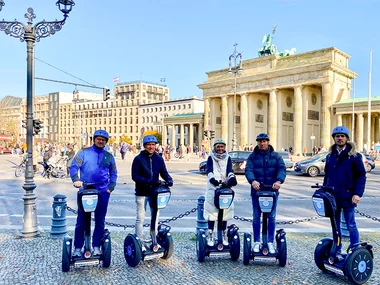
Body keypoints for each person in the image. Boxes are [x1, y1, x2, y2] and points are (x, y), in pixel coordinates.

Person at [70, 129, 118, 257]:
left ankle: (96, 246)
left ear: (106, 142)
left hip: (102, 191)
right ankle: (78, 247)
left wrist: (111, 187)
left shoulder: (109, 156)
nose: (101, 141)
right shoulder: (84, 152)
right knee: (81, 220)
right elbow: (74, 166)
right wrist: (76, 180)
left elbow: (113, 172)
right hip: (85, 189)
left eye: (103, 140)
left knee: (100, 220)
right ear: (94, 139)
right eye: (98, 139)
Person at [323, 126, 366, 255]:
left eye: (342, 136)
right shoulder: (330, 156)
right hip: (333, 197)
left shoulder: (354, 156)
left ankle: (355, 250)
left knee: (351, 225)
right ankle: (337, 248)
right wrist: (325, 189)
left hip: (348, 195)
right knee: (335, 226)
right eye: (337, 136)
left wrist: (358, 193)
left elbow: (361, 176)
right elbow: (327, 175)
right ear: (334, 138)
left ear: (347, 138)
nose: (340, 138)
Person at [245, 133, 286, 254]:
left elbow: (282, 169)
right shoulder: (252, 157)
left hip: (272, 191)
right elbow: (249, 169)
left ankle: (270, 242)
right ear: (257, 143)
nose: (262, 143)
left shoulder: (276, 156)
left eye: (264, 141)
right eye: (260, 141)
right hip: (257, 191)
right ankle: (257, 241)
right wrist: (253, 181)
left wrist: (279, 181)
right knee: (256, 216)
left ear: (268, 142)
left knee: (271, 217)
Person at [131, 135, 173, 250]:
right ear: (144, 146)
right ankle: (140, 241)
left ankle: (153, 239)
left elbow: (164, 172)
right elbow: (135, 176)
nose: (151, 147)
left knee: (155, 216)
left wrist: (168, 179)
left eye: (153, 145)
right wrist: (147, 181)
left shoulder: (158, 158)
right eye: (149, 145)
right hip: (141, 191)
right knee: (141, 217)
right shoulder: (138, 159)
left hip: (155, 192)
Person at [204, 138, 237, 247]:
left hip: (224, 187)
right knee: (212, 212)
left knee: (225, 212)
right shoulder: (210, 157)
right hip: (213, 188)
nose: (220, 149)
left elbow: (229, 170)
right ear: (214, 148)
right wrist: (212, 179)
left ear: (224, 147)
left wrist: (231, 178)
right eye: (218, 147)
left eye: (222, 146)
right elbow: (208, 170)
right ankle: (210, 235)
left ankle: (223, 235)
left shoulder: (228, 157)